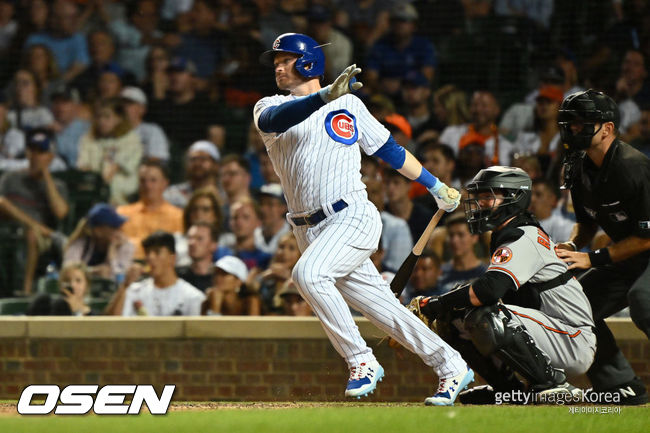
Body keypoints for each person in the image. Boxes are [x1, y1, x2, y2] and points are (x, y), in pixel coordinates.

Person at [254, 33, 472, 405]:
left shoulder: (349, 105)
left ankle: (360, 360)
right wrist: (324, 97)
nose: (278, 65)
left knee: (308, 274)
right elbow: (279, 117)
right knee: (382, 308)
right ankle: (451, 364)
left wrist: (435, 185)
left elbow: (389, 148)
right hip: (307, 228)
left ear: (309, 62)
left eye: (287, 58)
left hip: (352, 215)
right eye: (276, 59)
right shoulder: (268, 106)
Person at [410, 166, 596, 404]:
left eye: (488, 197)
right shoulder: (509, 232)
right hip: (550, 329)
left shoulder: (523, 235)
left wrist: (431, 304)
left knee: (485, 313)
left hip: (571, 337)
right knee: (452, 315)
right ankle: (508, 390)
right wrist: (442, 307)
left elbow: (488, 291)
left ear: (514, 198)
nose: (480, 203)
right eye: (479, 197)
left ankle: (552, 384)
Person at [555, 89, 650, 405]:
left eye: (583, 124)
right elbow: (588, 222)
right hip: (628, 252)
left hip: (644, 247)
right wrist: (571, 243)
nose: (573, 130)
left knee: (643, 299)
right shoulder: (578, 166)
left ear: (607, 129)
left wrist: (592, 257)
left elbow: (647, 236)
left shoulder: (632, 166)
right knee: (576, 307)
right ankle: (620, 386)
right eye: (570, 124)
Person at [0, 129, 68, 294]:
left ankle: (25, 291)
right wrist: (36, 226)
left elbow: (61, 213)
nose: (36, 156)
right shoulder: (11, 178)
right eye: (33, 151)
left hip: (41, 238)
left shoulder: (57, 186)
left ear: (51, 157)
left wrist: (46, 176)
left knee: (31, 234)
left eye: (42, 152)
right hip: (8, 230)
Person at [120, 231, 205, 316]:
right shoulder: (134, 291)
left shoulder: (192, 297)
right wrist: (125, 285)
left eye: (157, 252)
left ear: (173, 258)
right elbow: (114, 323)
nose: (150, 257)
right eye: (147, 253)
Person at [77, 97, 143, 205]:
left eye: (107, 117)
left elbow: (114, 168)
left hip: (122, 190)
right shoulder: (88, 138)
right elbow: (83, 166)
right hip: (92, 185)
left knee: (113, 185)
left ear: (119, 118)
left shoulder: (131, 138)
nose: (102, 121)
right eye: (99, 117)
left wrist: (101, 185)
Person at [117, 159, 183, 260]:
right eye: (143, 180)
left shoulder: (178, 217)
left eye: (153, 180)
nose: (148, 186)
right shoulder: (121, 213)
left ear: (165, 183)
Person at [63, 203, 134, 281]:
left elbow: (120, 278)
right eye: (113, 227)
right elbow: (68, 269)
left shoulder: (125, 245)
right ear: (98, 231)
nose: (118, 230)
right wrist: (93, 271)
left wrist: (112, 252)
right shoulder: (81, 242)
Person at [436, 212, 487, 295]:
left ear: (474, 237)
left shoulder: (487, 273)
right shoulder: (439, 274)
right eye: (451, 235)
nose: (454, 241)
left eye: (460, 235)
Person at [164, 140, 220, 209]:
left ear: (216, 165)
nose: (197, 163)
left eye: (203, 159)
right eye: (193, 159)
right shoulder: (173, 193)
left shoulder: (225, 193)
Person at [120, 86, 170, 161]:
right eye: (122, 104)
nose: (124, 108)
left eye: (130, 104)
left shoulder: (152, 131)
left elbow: (157, 159)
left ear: (142, 109)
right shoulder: (111, 131)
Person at [27, 261, 91, 316]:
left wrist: (78, 310)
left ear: (86, 284)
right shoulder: (48, 306)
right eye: (67, 280)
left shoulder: (93, 315)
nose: (72, 285)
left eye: (78, 280)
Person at [176, 221, 218, 292]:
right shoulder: (177, 277)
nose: (192, 243)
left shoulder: (220, 279)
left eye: (199, 239)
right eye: (189, 238)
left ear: (213, 245)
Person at [529, 179, 573, 243]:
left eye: (538, 195)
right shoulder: (521, 223)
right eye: (530, 195)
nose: (532, 199)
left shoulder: (566, 227)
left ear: (552, 199)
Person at [255, 183, 290, 255]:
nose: (263, 209)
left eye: (270, 204)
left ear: (283, 207)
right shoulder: (253, 233)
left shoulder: (292, 235)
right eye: (261, 203)